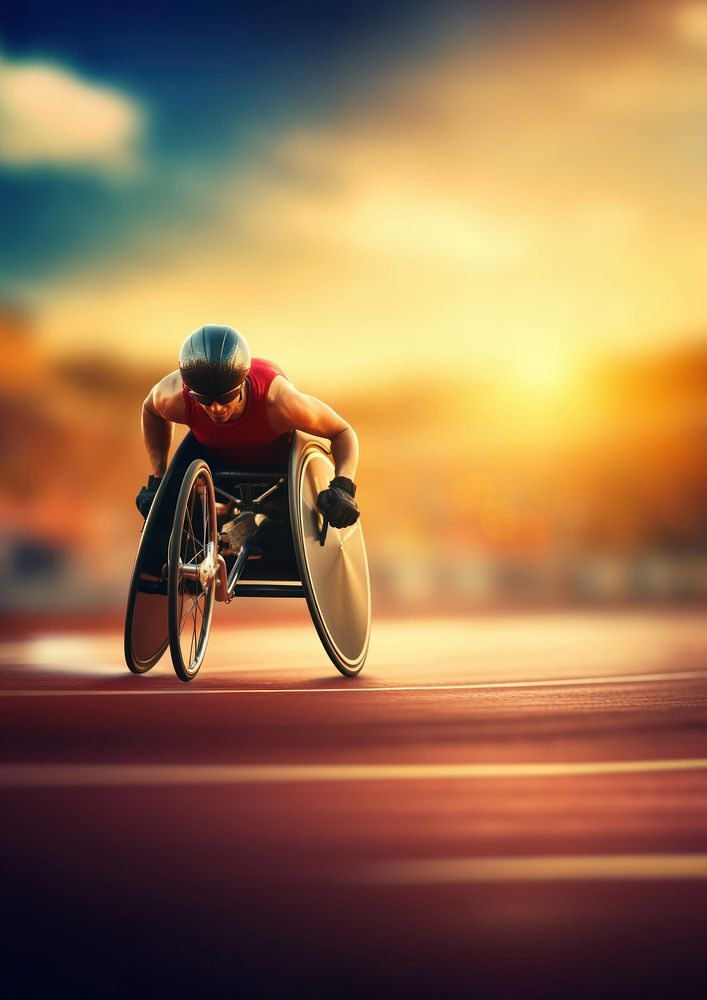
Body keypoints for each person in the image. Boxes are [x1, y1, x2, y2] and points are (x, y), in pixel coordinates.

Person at [135, 324, 360, 529]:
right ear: (189, 390)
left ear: (242, 382)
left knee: (277, 526)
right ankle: (219, 514)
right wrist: (158, 479)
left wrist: (344, 486)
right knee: (165, 509)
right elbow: (150, 411)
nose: (216, 409)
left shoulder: (280, 402)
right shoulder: (173, 396)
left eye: (226, 398)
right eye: (204, 400)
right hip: (215, 464)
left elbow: (342, 431)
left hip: (279, 475)